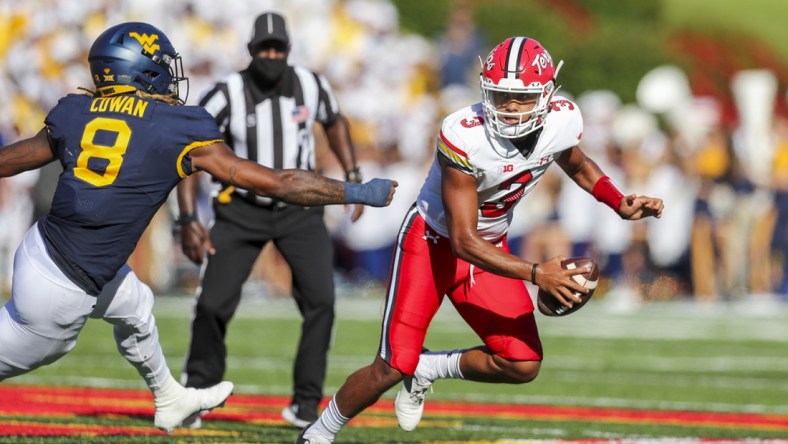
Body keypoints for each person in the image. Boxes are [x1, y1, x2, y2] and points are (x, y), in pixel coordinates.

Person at [0, 21, 396, 434]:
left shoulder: (74, 109)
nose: (171, 77)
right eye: (161, 66)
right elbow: (281, 183)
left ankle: (169, 398)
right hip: (60, 291)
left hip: (42, 248)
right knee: (39, 350)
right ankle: (170, 396)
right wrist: (356, 191)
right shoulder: (175, 125)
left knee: (134, 304)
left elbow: (14, 158)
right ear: (140, 70)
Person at [297, 36, 663, 443]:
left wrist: (618, 201)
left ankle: (430, 368)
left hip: (489, 246)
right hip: (432, 244)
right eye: (501, 95)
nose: (508, 107)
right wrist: (536, 273)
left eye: (520, 98)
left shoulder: (562, 120)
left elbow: (574, 162)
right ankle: (317, 434)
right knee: (390, 366)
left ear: (545, 96)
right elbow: (463, 240)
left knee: (522, 361)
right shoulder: (464, 134)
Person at [176, 11, 366, 429]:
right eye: (265, 49)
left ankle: (305, 402)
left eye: (279, 48)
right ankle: (197, 392)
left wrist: (352, 174)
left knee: (322, 301)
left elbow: (336, 121)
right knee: (212, 303)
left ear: (289, 50)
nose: (272, 55)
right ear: (251, 51)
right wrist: (186, 217)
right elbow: (189, 152)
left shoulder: (311, 84)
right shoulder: (227, 92)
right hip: (240, 209)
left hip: (300, 212)